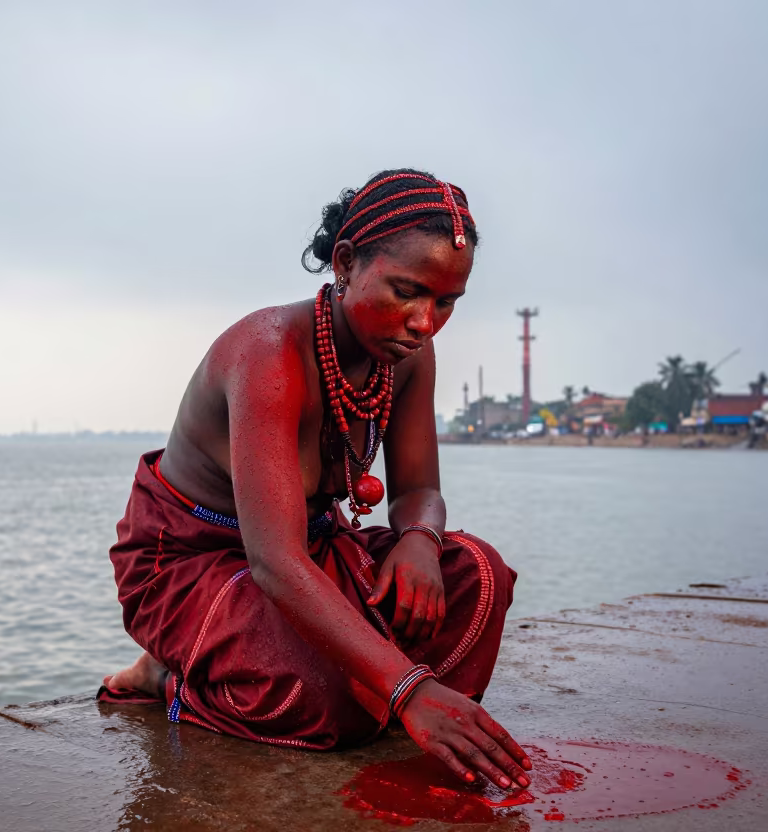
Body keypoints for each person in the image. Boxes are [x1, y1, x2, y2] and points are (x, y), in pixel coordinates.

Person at [99, 169, 531, 790]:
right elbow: (274, 561)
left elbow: (417, 491)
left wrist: (419, 540)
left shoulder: (408, 356)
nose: (424, 322)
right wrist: (409, 689)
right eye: (408, 291)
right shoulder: (268, 352)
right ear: (346, 263)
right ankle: (170, 674)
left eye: (446, 303)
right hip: (196, 565)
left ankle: (380, 696)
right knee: (334, 699)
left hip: (316, 553)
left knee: (479, 576)